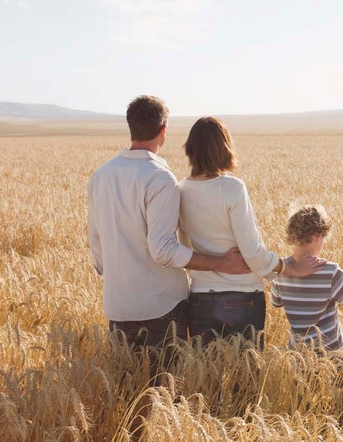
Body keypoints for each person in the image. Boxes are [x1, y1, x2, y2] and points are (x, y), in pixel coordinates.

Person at [87, 96, 249, 373]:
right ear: (163, 131)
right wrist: (219, 263)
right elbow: (162, 249)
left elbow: (96, 244)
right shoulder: (159, 178)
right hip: (160, 308)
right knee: (166, 392)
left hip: (116, 305)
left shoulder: (102, 175)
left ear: (130, 127)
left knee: (127, 394)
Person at [177, 117, 323, 347]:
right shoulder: (232, 188)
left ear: (191, 149)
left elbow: (184, 254)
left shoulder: (180, 189)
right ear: (224, 148)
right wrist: (290, 268)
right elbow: (252, 253)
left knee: (205, 380)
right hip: (241, 296)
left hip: (199, 298)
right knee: (245, 380)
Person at [270, 205, 343, 352]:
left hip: (298, 356)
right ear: (317, 236)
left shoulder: (280, 271)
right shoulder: (330, 272)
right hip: (331, 359)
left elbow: (276, 303)